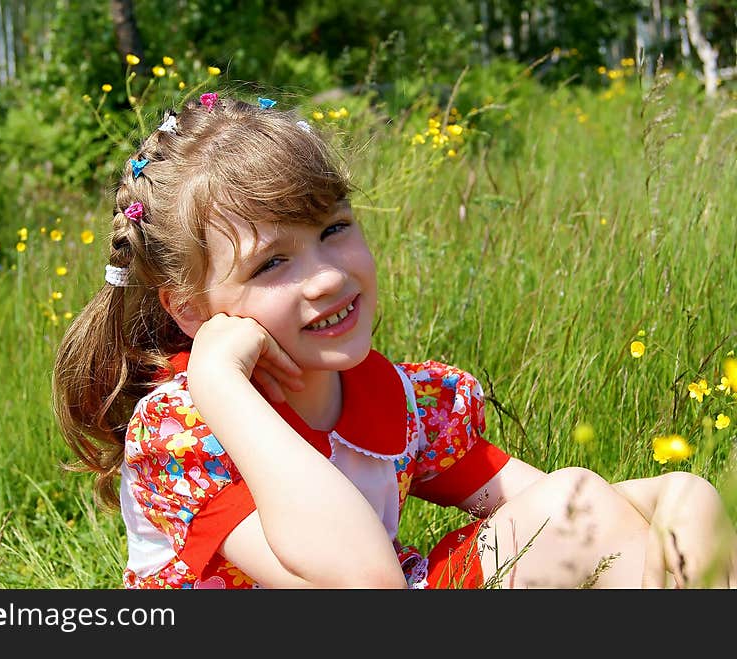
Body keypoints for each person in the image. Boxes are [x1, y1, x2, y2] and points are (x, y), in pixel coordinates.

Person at [52, 93, 737, 589]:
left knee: (679, 495)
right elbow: (360, 580)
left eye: (334, 229)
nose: (326, 276)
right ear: (194, 311)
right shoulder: (188, 428)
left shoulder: (401, 401)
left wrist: (675, 509)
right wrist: (221, 384)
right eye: (272, 263)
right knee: (574, 513)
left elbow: (576, 510)